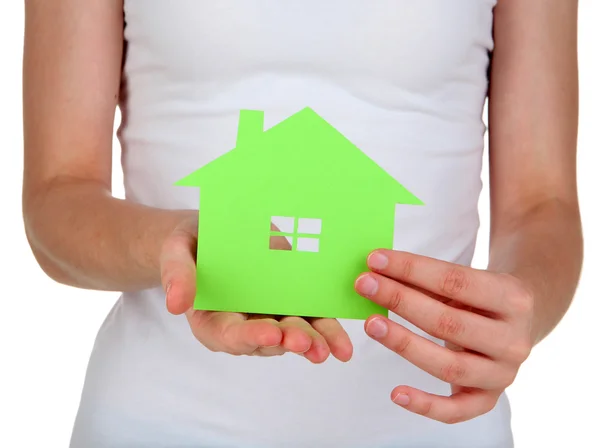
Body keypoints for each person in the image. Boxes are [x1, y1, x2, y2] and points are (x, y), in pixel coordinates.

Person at [22, 0, 582, 447]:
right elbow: (57, 193)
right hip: (157, 423)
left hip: (431, 428)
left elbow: (542, 202)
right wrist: (181, 244)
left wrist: (512, 310)